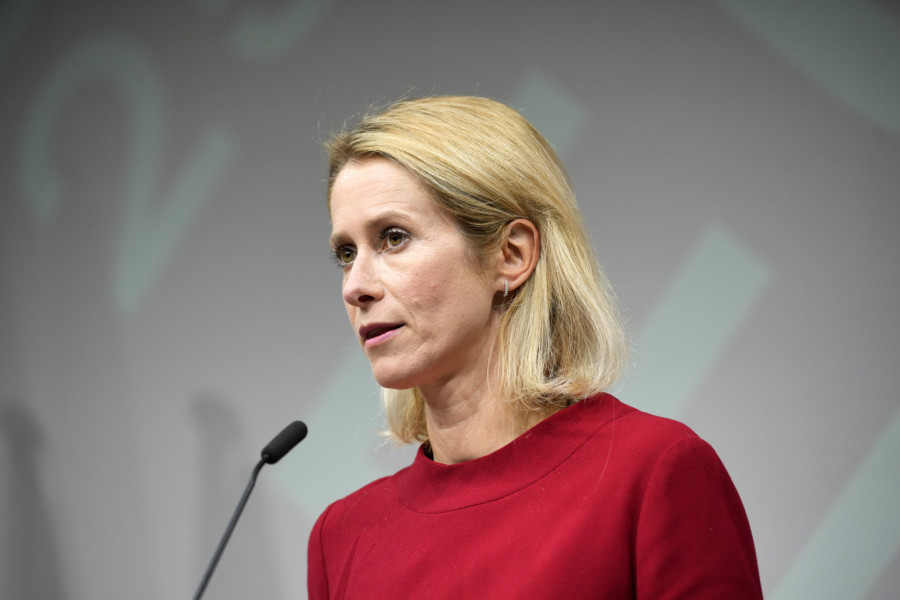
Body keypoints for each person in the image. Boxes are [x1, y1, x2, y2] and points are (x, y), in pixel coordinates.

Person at [308, 96, 763, 599]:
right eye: (345, 253)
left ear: (511, 254)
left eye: (393, 238)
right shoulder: (341, 536)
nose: (355, 286)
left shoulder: (654, 472)